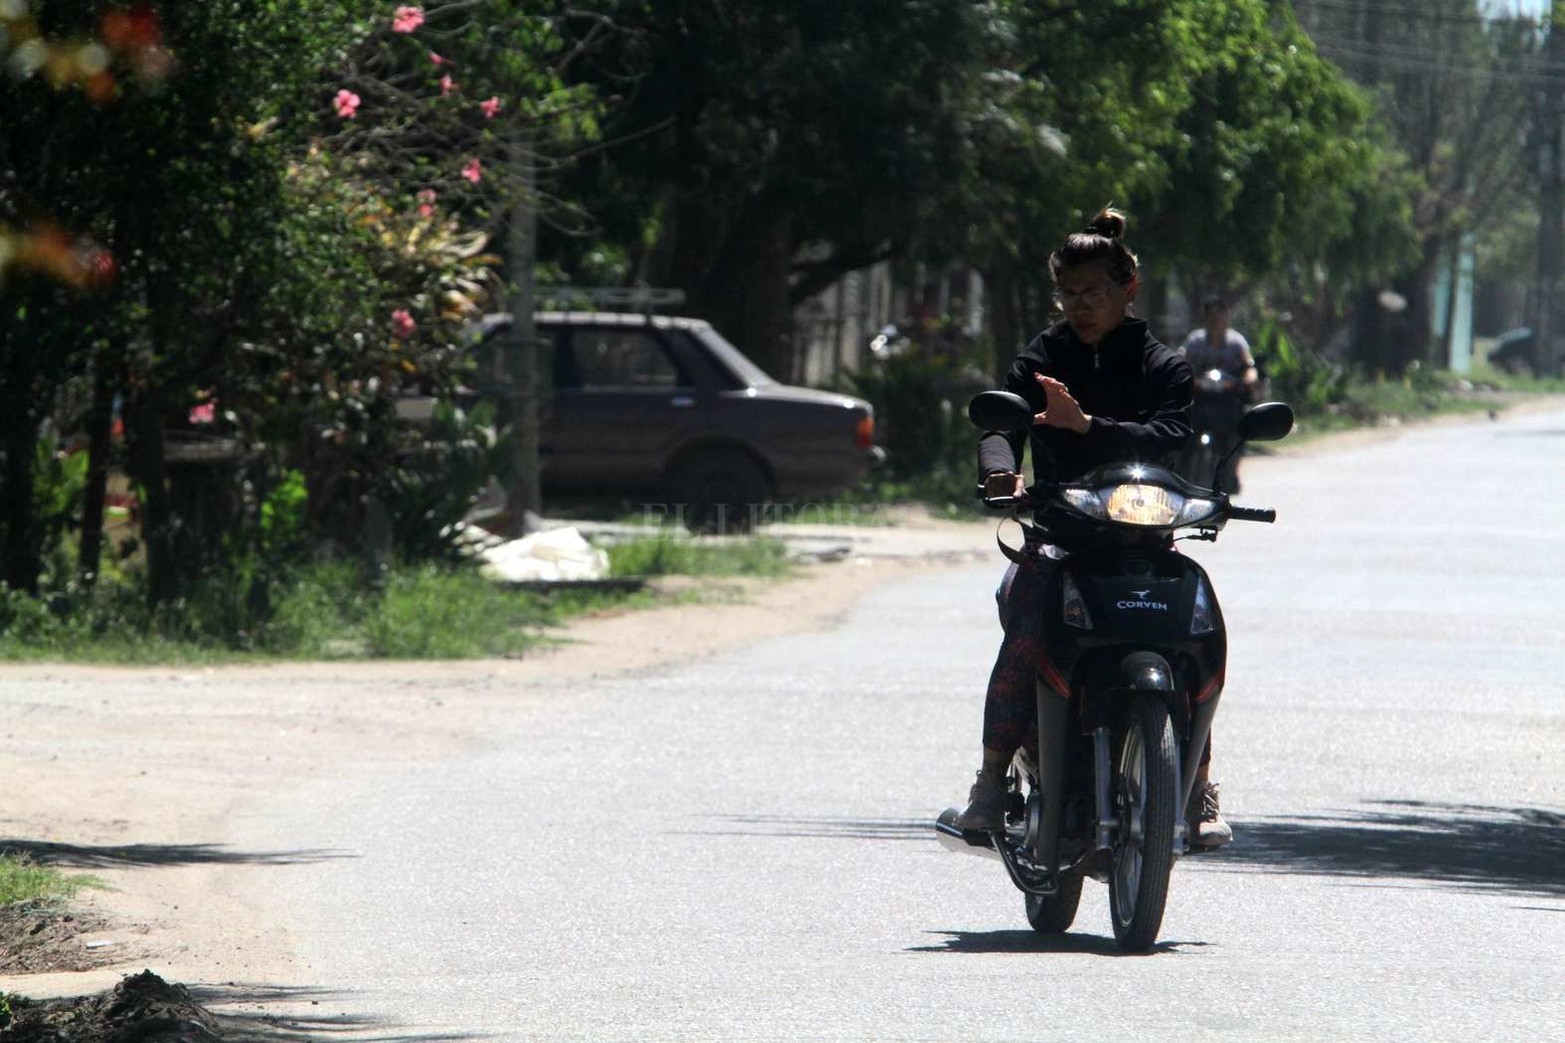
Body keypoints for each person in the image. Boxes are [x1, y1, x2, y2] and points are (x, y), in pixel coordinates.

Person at [955, 207, 1233, 849]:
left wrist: (1088, 428)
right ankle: (991, 783)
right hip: (1059, 538)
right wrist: (999, 471)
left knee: (1191, 637)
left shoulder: (1165, 364)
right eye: (1069, 294)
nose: (1080, 306)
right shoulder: (1044, 355)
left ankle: (1197, 786)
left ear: (1127, 291)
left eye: (1094, 293)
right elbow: (1003, 424)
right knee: (1026, 634)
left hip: (1146, 544)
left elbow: (1173, 434)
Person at [1180, 296, 1259, 493]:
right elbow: (1181, 362)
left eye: (1219, 314)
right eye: (1211, 315)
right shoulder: (1195, 341)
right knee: (1182, 432)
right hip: (1200, 400)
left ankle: (1231, 473)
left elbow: (1249, 365)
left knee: (1238, 431)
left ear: (1226, 317)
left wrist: (1250, 379)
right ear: (1205, 318)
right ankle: (1181, 478)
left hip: (1227, 401)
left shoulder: (1236, 342)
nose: (1216, 319)